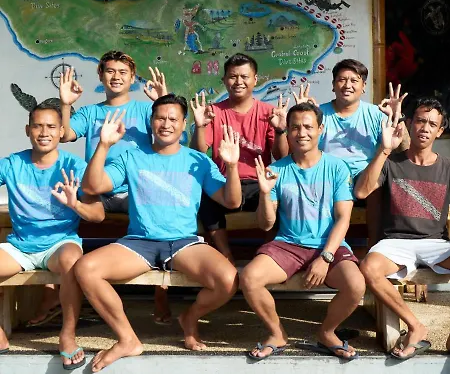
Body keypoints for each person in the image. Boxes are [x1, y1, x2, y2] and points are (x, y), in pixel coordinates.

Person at [75, 94, 241, 372]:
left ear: (184, 124)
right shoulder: (131, 156)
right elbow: (93, 187)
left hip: (184, 243)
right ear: (151, 122)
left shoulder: (198, 161)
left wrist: (232, 166)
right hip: (139, 243)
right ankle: (127, 339)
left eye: (173, 119)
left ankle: (190, 317)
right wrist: (103, 145)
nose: (166, 124)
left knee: (228, 279)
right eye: (160, 118)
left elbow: (231, 201)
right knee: (85, 269)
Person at [29, 51, 170, 327]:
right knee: (59, 204)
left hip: (136, 190)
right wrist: (66, 103)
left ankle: (161, 292)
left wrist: (162, 103)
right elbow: (66, 134)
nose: (116, 77)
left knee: (160, 221)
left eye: (123, 72)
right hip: (97, 192)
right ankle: (52, 292)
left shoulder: (145, 110)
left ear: (133, 77)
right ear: (101, 76)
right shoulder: (90, 112)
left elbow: (168, 138)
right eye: (110, 71)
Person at [240, 102, 365, 361]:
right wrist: (264, 193)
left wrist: (326, 257)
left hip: (329, 245)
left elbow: (343, 219)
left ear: (321, 129)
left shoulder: (337, 167)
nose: (302, 133)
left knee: (356, 285)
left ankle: (327, 332)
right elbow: (265, 224)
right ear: (287, 130)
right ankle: (277, 334)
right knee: (249, 278)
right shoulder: (276, 170)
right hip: (288, 244)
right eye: (295, 127)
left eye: (308, 126)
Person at [0, 103, 104, 369]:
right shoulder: (12, 164)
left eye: (50, 126)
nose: (44, 132)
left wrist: (75, 204)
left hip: (60, 245)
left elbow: (98, 215)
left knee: (72, 261)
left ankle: (67, 335)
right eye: (37, 126)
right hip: (20, 246)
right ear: (27, 130)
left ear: (61, 131)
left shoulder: (75, 166)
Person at [354, 98, 450, 359]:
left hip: (436, 243)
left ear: (439, 131)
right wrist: (384, 150)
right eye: (420, 121)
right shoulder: (390, 162)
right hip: (395, 242)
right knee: (369, 268)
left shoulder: (447, 168)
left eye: (432, 124)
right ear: (409, 123)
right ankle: (415, 326)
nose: (425, 128)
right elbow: (361, 192)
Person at [295, 59, 410, 246]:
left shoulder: (376, 113)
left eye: (354, 80)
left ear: (363, 86)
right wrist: (302, 115)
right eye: (341, 80)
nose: (347, 85)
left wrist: (398, 117)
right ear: (333, 85)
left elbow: (405, 149)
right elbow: (299, 151)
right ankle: (321, 247)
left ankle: (374, 246)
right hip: (329, 176)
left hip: (365, 177)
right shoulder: (319, 114)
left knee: (376, 185)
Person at [190, 52, 289, 260]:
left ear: (255, 79)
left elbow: (281, 156)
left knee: (283, 196)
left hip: (258, 182)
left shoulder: (268, 112)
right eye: (233, 76)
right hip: (224, 181)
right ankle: (225, 254)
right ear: (224, 80)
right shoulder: (214, 112)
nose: (238, 82)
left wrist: (280, 131)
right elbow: (198, 152)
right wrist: (200, 127)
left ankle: (267, 253)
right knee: (203, 196)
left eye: (244, 76)